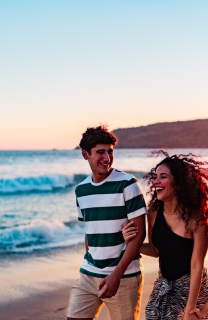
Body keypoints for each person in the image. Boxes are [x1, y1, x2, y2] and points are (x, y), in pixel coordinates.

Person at [122, 150, 208, 319]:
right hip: (164, 285)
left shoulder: (196, 219)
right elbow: (156, 250)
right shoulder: (153, 213)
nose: (155, 181)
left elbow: (197, 266)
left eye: (163, 176)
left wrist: (190, 310)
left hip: (192, 289)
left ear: (179, 183)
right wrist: (131, 241)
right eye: (155, 176)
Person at [67, 126, 147, 320]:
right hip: (89, 272)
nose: (107, 157)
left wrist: (116, 274)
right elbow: (90, 230)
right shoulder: (81, 190)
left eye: (110, 151)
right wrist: (91, 256)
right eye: (100, 152)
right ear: (86, 155)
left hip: (124, 275)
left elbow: (139, 234)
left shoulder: (128, 184)